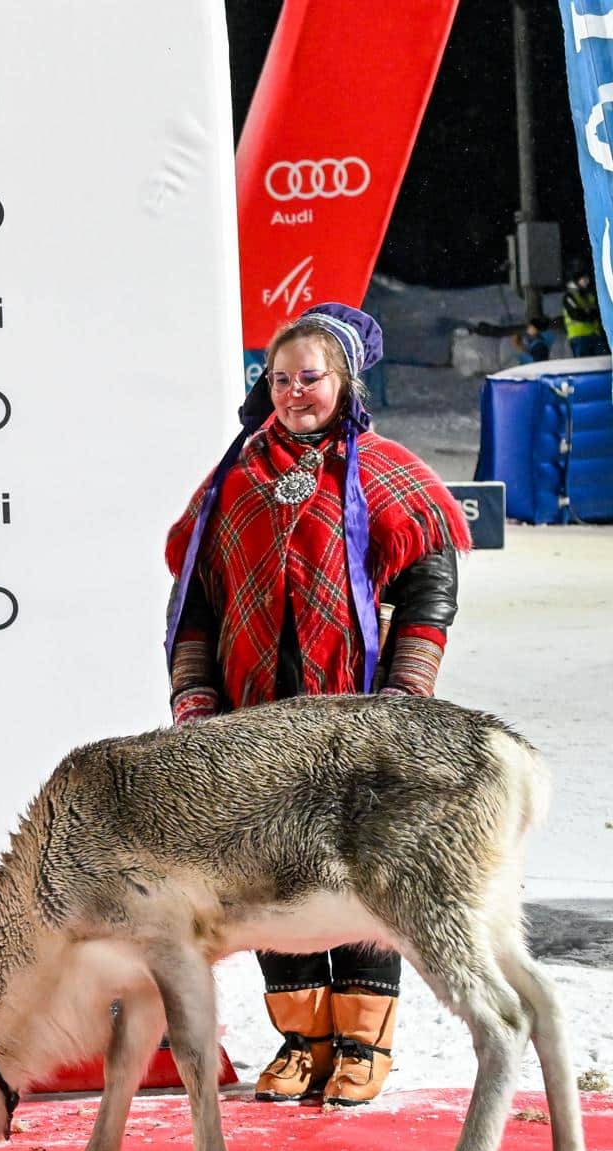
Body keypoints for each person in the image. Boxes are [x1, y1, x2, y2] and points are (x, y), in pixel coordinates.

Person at [162, 302, 470, 1106]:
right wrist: (196, 699)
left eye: (311, 377)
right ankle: (302, 1037)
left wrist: (407, 696)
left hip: (359, 719)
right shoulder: (234, 479)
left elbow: (429, 589)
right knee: (269, 876)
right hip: (256, 721)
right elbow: (195, 601)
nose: (296, 392)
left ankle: (365, 1040)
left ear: (344, 381)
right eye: (281, 378)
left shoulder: (388, 472)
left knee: (363, 874)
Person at [563, 262, 607, 359]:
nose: (587, 281)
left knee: (602, 362)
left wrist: (590, 314)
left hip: (594, 335)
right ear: (577, 280)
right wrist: (590, 315)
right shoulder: (570, 296)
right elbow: (576, 314)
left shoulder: (589, 295)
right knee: (585, 364)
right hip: (579, 336)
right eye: (584, 279)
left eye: (587, 279)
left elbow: (597, 313)